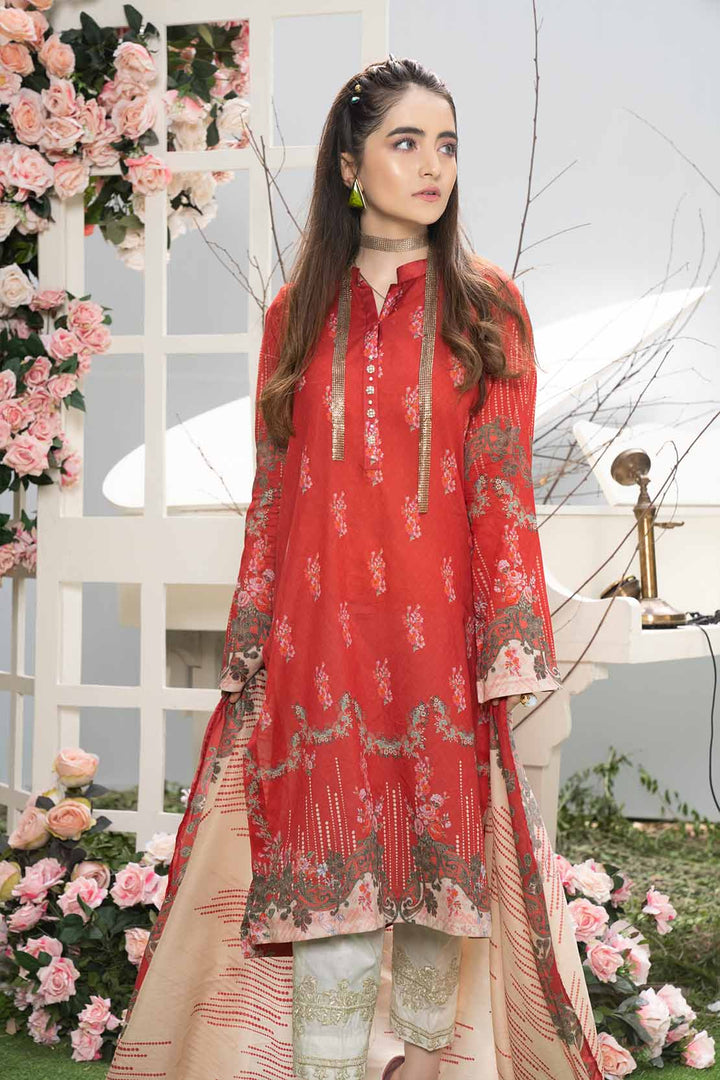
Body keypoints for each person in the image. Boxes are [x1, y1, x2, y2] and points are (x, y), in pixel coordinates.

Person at [107, 56, 603, 1080]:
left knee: (431, 911)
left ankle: (419, 1068)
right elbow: (274, 495)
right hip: (318, 653)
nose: (433, 166)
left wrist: (509, 652)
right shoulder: (296, 314)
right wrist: (254, 640)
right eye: (405, 142)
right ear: (349, 165)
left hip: (440, 660)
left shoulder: (487, 308)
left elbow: (503, 491)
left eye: (447, 145)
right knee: (328, 908)